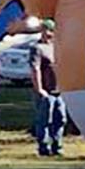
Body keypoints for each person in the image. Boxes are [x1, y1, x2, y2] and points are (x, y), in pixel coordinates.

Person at [29, 19, 66, 157]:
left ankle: (57, 146)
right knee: (44, 119)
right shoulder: (37, 48)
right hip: (46, 90)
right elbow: (35, 69)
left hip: (59, 90)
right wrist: (39, 89)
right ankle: (43, 147)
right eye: (45, 30)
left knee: (60, 118)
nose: (48, 33)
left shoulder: (56, 46)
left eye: (50, 30)